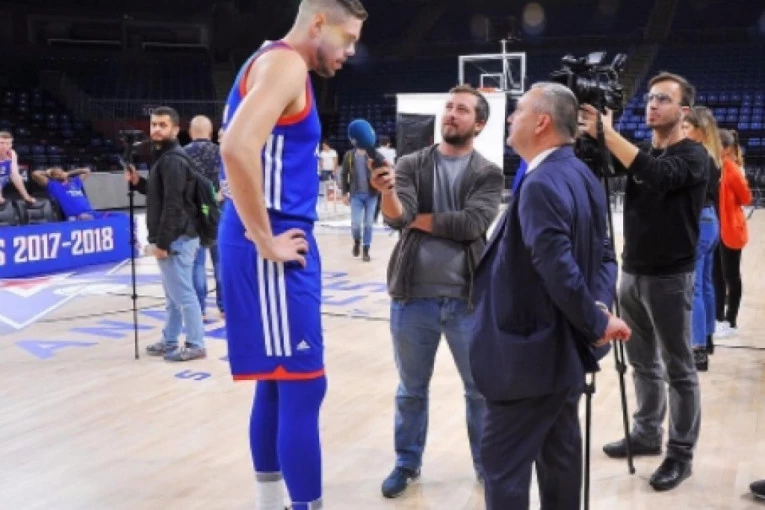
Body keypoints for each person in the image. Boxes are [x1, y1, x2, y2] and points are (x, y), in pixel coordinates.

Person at [217, 1, 367, 509]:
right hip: (272, 244)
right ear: (318, 23)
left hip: (270, 237)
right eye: (348, 38)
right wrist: (264, 239)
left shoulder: (267, 59)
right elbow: (235, 148)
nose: (351, 51)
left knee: (277, 385)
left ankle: (271, 502)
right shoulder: (285, 64)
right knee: (304, 385)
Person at [467, 82, 630, 509]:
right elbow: (606, 256)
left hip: (528, 360)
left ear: (541, 122)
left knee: (503, 469)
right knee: (560, 462)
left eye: (518, 110)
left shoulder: (540, 182)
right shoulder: (583, 174)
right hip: (565, 356)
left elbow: (558, 269)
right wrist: (598, 310)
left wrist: (596, 321)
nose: (510, 117)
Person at [369, 84, 504, 498]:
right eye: (449, 106)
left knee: (478, 391)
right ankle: (406, 463)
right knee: (411, 391)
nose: (451, 114)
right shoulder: (411, 163)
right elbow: (398, 217)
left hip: (468, 300)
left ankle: (487, 466)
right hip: (412, 298)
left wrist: (417, 219)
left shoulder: (488, 172)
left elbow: (472, 224)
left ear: (479, 124)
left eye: (462, 109)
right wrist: (388, 193)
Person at [580, 71, 708, 491]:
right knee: (641, 362)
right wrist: (590, 136)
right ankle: (647, 432)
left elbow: (657, 174)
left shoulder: (694, 156)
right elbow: (601, 166)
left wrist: (609, 133)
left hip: (671, 277)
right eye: (650, 97)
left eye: (663, 99)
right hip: (632, 271)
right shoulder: (639, 151)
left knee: (678, 369)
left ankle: (680, 454)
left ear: (684, 111)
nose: (652, 104)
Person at [124, 106, 207, 362]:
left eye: (163, 125)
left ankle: (196, 344)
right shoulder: (164, 157)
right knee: (173, 296)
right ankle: (170, 339)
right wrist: (139, 183)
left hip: (177, 238)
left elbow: (174, 205)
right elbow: (159, 193)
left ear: (175, 129)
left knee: (183, 295)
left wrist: (162, 243)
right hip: (178, 236)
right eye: (154, 124)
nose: (157, 129)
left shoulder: (172, 160)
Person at [681, 106, 722, 371]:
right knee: (705, 283)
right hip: (711, 220)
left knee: (694, 287)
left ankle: (696, 349)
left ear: (700, 129)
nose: (683, 131)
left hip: (699, 219)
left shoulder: (698, 156)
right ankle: (706, 338)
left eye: (687, 127)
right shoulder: (713, 156)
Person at [184, 115, 223, 319]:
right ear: (210, 132)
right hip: (219, 214)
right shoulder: (222, 152)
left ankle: (199, 309)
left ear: (191, 132)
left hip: (194, 217)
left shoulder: (181, 154)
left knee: (197, 264)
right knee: (220, 262)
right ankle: (225, 306)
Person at [716, 129, 752, 338]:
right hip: (719, 228)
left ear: (727, 148)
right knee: (720, 275)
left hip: (731, 228)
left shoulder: (732, 168)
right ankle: (721, 317)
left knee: (731, 275)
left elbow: (746, 197)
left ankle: (731, 321)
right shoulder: (720, 166)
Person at [340, 146, 378, 261]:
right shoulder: (350, 155)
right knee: (356, 224)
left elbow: (383, 169)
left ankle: (366, 250)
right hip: (356, 195)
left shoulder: (373, 154)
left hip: (372, 195)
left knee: (369, 223)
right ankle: (357, 240)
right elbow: (344, 174)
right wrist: (344, 193)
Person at [30, 166, 102, 220]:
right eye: (57, 174)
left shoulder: (74, 181)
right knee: (85, 218)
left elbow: (87, 171)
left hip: (92, 213)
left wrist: (69, 173)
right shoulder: (53, 185)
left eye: (61, 172)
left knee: (108, 216)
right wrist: (47, 173)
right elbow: (35, 174)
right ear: (53, 177)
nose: (61, 174)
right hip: (77, 217)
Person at [0, 131, 36, 205]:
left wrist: (26, 197)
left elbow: (15, 175)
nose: (4, 146)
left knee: (18, 177)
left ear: (11, 145)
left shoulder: (12, 154)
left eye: (7, 143)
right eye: (1, 143)